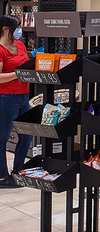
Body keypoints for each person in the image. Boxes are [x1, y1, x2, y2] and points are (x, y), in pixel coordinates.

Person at [0, 15, 33, 188]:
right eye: (17, 27)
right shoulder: (0, 49)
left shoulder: (20, 45)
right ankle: (2, 176)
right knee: (2, 138)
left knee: (27, 135)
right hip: (6, 98)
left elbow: (26, 64)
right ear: (6, 29)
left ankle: (18, 171)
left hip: (24, 96)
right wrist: (18, 74)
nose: (20, 30)